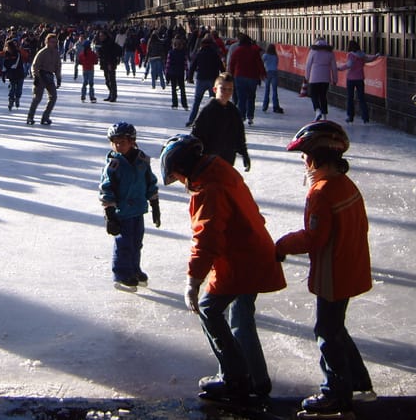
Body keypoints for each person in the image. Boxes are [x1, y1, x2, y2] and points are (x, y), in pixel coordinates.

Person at [158, 134, 285, 406]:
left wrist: (193, 282)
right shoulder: (221, 171)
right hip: (253, 252)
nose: (181, 182)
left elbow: (207, 238)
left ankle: (234, 378)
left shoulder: (209, 188)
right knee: (241, 317)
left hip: (242, 260)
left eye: (179, 176)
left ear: (185, 167)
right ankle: (256, 380)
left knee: (209, 309)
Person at [275, 121, 374, 416]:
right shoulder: (345, 184)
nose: (303, 161)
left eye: (306, 155)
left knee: (327, 331)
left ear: (319, 156)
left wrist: (281, 245)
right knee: (336, 327)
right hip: (351, 266)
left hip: (334, 273)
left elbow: (314, 237)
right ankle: (357, 380)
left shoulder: (321, 192)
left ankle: (335, 394)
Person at [99, 122, 160, 291]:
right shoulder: (113, 166)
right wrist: (110, 214)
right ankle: (121, 273)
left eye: (123, 142)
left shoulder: (141, 160)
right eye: (115, 142)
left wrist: (155, 205)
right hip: (122, 212)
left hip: (138, 210)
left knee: (136, 242)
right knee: (124, 243)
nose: (119, 146)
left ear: (132, 141)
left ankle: (134, 268)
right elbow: (106, 189)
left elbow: (150, 182)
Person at [190, 73, 251, 172]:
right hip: (209, 162)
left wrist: (244, 153)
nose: (226, 93)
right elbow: (196, 134)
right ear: (215, 90)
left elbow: (239, 135)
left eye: (230, 89)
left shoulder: (233, 111)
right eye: (223, 89)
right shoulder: (208, 110)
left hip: (228, 160)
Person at [337, 40, 380, 124]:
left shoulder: (350, 55)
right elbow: (370, 58)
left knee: (350, 98)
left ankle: (350, 116)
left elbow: (349, 65)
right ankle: (365, 117)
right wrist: (377, 55)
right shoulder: (362, 55)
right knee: (362, 98)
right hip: (360, 78)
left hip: (351, 79)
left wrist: (339, 68)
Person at [186, 34, 225, 127]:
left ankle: (191, 120)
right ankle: (216, 121)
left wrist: (190, 77)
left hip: (201, 78)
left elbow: (192, 66)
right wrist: (224, 77)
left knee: (197, 101)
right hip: (213, 79)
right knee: (214, 102)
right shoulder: (215, 54)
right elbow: (221, 66)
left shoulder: (199, 54)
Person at [227, 34, 266, 126]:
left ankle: (241, 116)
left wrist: (231, 74)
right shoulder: (254, 51)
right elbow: (259, 63)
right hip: (252, 77)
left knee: (241, 98)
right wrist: (263, 73)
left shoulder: (237, 51)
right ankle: (250, 116)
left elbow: (232, 63)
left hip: (239, 76)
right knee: (251, 97)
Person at [26, 32, 62, 126]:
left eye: (55, 42)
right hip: (41, 75)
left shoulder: (56, 53)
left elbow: (58, 66)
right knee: (37, 98)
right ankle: (30, 116)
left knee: (53, 97)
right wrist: (36, 77)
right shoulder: (42, 52)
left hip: (49, 76)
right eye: (52, 42)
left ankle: (45, 117)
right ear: (47, 42)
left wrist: (58, 78)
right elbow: (34, 65)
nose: (53, 44)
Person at [304, 38, 338, 121]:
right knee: (323, 96)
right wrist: (335, 79)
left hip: (314, 77)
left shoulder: (313, 51)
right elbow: (334, 67)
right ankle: (324, 115)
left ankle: (317, 110)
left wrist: (307, 77)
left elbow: (308, 65)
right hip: (325, 77)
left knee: (313, 95)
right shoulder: (330, 52)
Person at [97, 30, 123, 102]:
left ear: (105, 36)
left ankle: (113, 96)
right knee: (107, 81)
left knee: (111, 80)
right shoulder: (103, 43)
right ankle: (111, 94)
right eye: (100, 36)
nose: (100, 37)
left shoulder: (111, 43)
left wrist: (112, 62)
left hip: (110, 64)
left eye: (102, 36)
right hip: (105, 64)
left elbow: (118, 51)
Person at [165, 35, 190, 111]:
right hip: (180, 72)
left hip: (172, 72)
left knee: (173, 89)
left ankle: (174, 104)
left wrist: (166, 73)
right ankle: (184, 104)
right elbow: (185, 64)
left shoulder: (171, 52)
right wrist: (187, 73)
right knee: (182, 89)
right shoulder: (183, 53)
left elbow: (168, 64)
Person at [1, 38, 26, 110]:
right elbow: (5, 64)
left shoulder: (17, 53)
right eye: (6, 47)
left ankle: (17, 98)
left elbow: (15, 64)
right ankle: (11, 100)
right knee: (12, 88)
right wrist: (3, 74)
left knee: (19, 89)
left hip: (19, 74)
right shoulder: (6, 54)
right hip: (12, 75)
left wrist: (9, 69)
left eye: (8, 47)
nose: (7, 48)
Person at [261, 43, 284, 114]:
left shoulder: (265, 56)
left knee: (267, 90)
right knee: (274, 90)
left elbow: (262, 63)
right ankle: (275, 106)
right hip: (274, 72)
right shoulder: (275, 56)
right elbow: (276, 64)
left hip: (267, 72)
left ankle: (265, 106)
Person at [74, 38, 98, 103]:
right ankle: (91, 96)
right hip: (91, 69)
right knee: (91, 84)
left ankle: (83, 96)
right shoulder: (93, 53)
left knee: (85, 83)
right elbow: (96, 62)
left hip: (84, 69)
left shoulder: (82, 54)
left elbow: (80, 62)